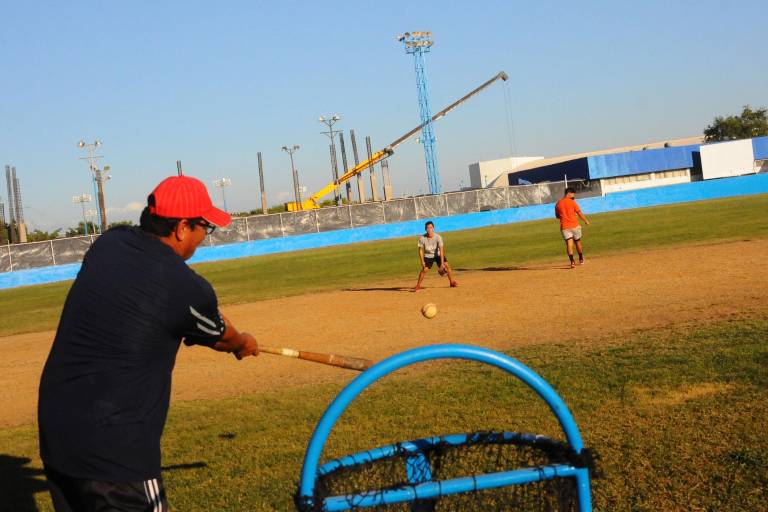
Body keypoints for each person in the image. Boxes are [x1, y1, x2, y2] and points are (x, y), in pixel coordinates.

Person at [38, 174, 259, 511]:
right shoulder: (185, 287)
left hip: (58, 433)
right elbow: (224, 339)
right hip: (115, 451)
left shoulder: (109, 243)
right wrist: (244, 342)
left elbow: (175, 307)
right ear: (182, 227)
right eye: (205, 227)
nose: (204, 237)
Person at [413, 221, 458, 292]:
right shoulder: (422, 238)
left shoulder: (438, 237)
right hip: (428, 256)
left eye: (431, 227)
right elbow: (420, 250)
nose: (429, 229)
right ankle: (418, 285)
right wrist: (422, 261)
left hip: (438, 254)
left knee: (447, 266)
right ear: (425, 229)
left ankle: (451, 282)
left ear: (433, 228)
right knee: (424, 269)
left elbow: (441, 250)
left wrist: (442, 263)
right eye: (427, 228)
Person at [555, 187, 590, 268]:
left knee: (569, 244)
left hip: (564, 226)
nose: (574, 196)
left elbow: (557, 216)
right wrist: (585, 220)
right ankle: (581, 258)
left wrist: (564, 216)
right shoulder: (572, 202)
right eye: (573, 194)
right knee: (577, 242)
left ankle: (572, 262)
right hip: (574, 225)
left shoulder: (558, 203)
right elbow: (579, 212)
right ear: (569, 193)